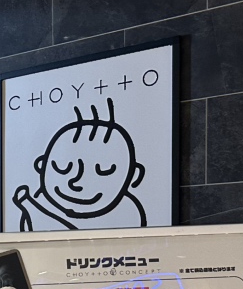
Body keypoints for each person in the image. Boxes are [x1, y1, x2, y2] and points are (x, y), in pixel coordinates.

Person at [12, 98, 146, 231]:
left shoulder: (128, 211)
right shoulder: (40, 201)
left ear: (133, 175)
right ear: (42, 166)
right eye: (63, 168)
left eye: (102, 171)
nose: (75, 182)